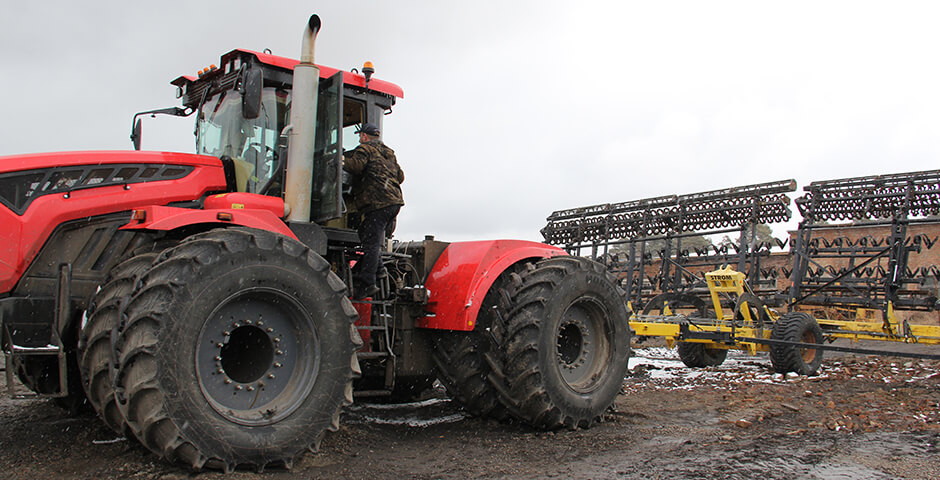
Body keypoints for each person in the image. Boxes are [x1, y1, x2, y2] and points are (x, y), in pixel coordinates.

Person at [343, 122, 404, 299]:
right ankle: (380, 269)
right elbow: (400, 176)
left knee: (371, 243)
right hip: (394, 203)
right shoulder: (389, 153)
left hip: (378, 204)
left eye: (360, 136)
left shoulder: (365, 149)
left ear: (364, 136)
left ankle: (368, 283)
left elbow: (355, 167)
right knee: (368, 235)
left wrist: (341, 159)